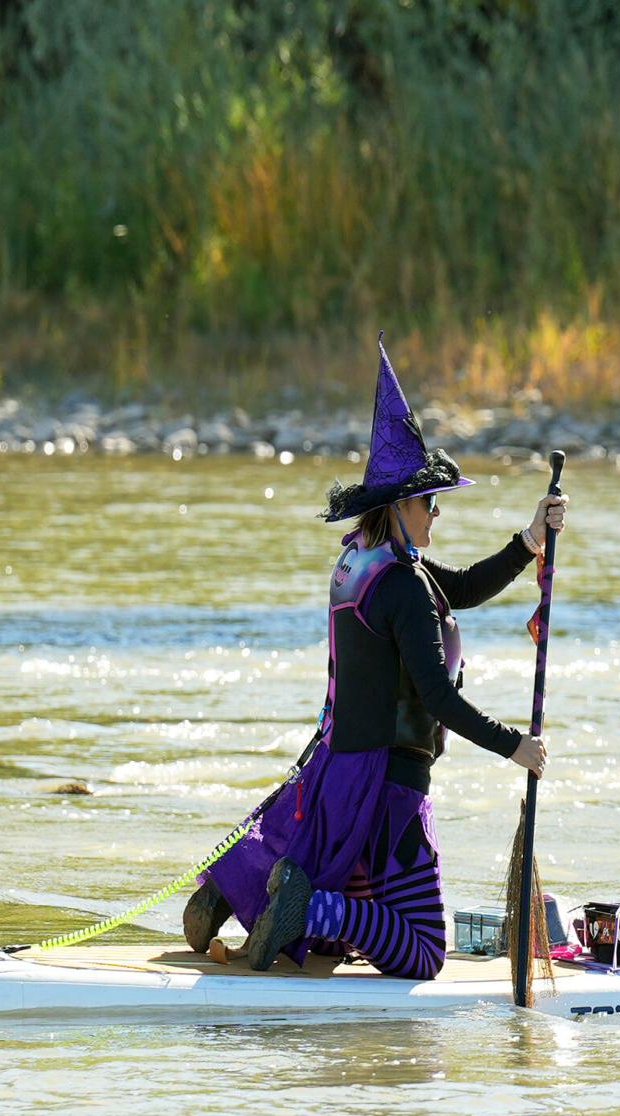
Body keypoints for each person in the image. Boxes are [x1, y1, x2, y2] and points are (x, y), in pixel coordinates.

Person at [181, 333, 567, 977]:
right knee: (423, 953)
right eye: (430, 501)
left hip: (339, 768)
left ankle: (239, 891)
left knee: (319, 873)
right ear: (400, 504)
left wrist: (531, 539)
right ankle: (313, 914)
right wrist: (514, 746)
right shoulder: (406, 588)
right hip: (391, 794)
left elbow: (465, 586)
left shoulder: (361, 563)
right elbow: (438, 697)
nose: (438, 513)